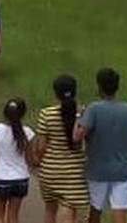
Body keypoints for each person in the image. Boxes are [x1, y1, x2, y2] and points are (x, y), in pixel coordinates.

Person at [75, 68, 127, 223]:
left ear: (99, 87)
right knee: (120, 211)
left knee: (95, 210)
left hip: (97, 169)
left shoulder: (94, 109)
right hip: (122, 169)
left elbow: (78, 136)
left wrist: (79, 115)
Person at [34, 74, 90, 223]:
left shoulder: (46, 114)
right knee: (68, 206)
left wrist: (39, 161)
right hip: (74, 171)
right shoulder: (83, 113)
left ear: (55, 93)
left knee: (50, 209)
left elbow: (41, 147)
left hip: (49, 171)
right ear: (75, 91)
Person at [0, 98, 36, 223]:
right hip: (21, 179)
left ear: (4, 112)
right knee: (13, 216)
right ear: (23, 114)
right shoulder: (27, 133)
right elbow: (30, 158)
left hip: (2, 178)